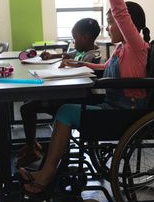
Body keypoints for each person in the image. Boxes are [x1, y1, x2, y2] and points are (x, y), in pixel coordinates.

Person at [19, 0, 151, 195]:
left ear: (128, 25)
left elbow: (120, 11)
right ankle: (47, 171)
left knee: (66, 111)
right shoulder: (123, 49)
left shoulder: (136, 46)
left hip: (125, 112)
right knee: (66, 110)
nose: (110, 26)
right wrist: (81, 62)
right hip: (114, 106)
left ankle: (45, 177)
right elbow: (104, 70)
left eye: (112, 22)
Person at [16, 17, 101, 168]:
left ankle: (32, 148)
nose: (73, 42)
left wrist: (70, 66)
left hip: (72, 101)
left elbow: (81, 65)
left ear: (85, 37)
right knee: (28, 106)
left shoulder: (91, 56)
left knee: (27, 108)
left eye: (75, 38)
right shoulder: (85, 52)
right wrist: (53, 56)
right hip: (70, 98)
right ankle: (32, 145)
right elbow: (71, 54)